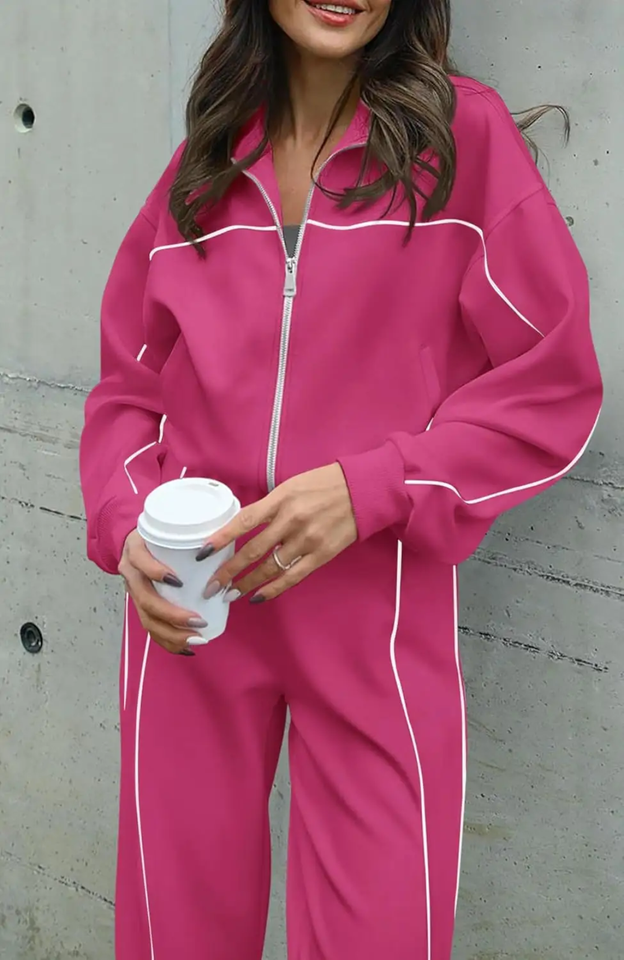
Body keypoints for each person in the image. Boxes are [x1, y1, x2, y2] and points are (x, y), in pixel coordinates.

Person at [79, 1, 603, 958]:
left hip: (376, 611)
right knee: (174, 938)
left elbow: (552, 387)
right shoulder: (207, 160)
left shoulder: (462, 142)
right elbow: (128, 386)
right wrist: (126, 526)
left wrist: (376, 486)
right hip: (190, 608)